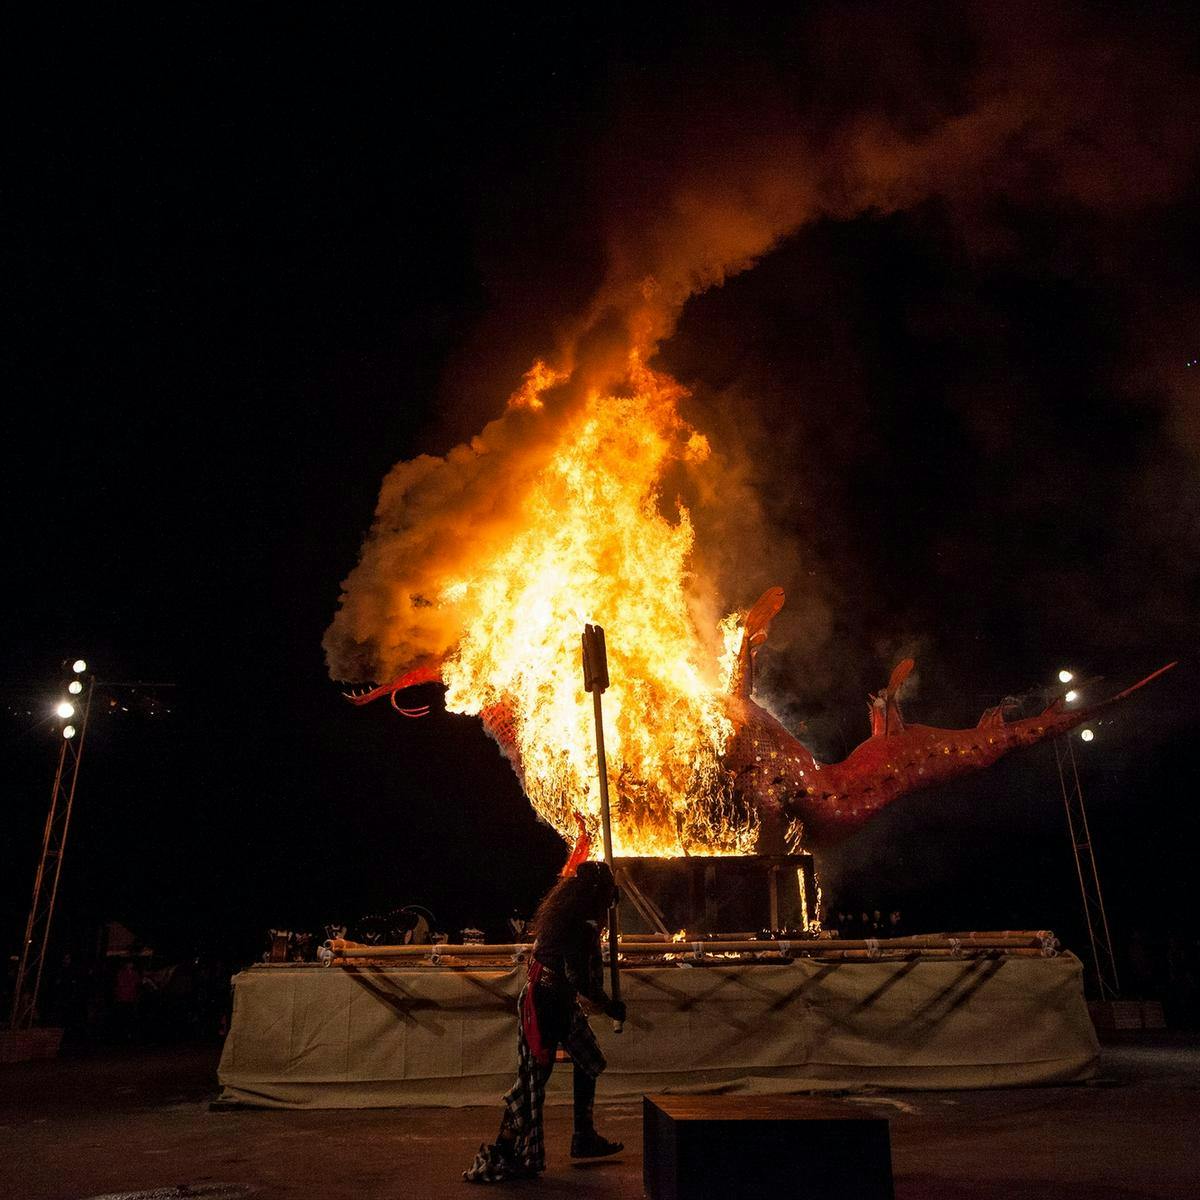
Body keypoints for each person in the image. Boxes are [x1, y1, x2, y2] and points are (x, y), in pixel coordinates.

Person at [464, 861, 627, 1183]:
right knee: (532, 1083)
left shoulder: (574, 917)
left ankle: (584, 1135)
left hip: (558, 1001)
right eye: (607, 894)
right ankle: (504, 1149)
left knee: (588, 1060)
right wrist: (610, 1006)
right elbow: (579, 977)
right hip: (545, 1005)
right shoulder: (578, 926)